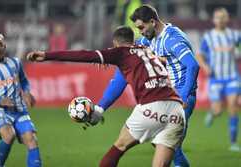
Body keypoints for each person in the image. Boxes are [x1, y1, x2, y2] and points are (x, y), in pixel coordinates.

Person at [27, 26, 186, 167]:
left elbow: (83, 55)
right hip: (177, 111)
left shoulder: (120, 53)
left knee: (119, 147)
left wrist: (46, 55)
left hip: (151, 107)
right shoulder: (148, 50)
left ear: (115, 43)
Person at [97, 4, 199, 167]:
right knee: (168, 147)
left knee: (170, 147)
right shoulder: (148, 40)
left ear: (152, 21)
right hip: (164, 99)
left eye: (142, 27)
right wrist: (108, 57)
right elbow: (128, 52)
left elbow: (193, 65)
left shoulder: (171, 39)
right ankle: (100, 107)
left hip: (179, 97)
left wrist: (184, 96)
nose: (140, 32)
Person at [0, 33, 42, 167]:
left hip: (19, 109)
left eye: (0, 45)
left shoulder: (15, 63)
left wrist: (26, 93)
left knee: (32, 139)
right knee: (9, 135)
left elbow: (24, 81)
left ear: (5, 46)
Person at [197, 7, 241, 151]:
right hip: (215, 79)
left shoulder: (235, 35)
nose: (221, 20)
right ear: (214, 20)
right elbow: (199, 55)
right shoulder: (209, 37)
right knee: (218, 111)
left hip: (232, 77)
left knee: (233, 107)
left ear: (227, 19)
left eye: (223, 17)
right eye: (218, 17)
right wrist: (205, 67)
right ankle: (212, 113)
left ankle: (233, 143)